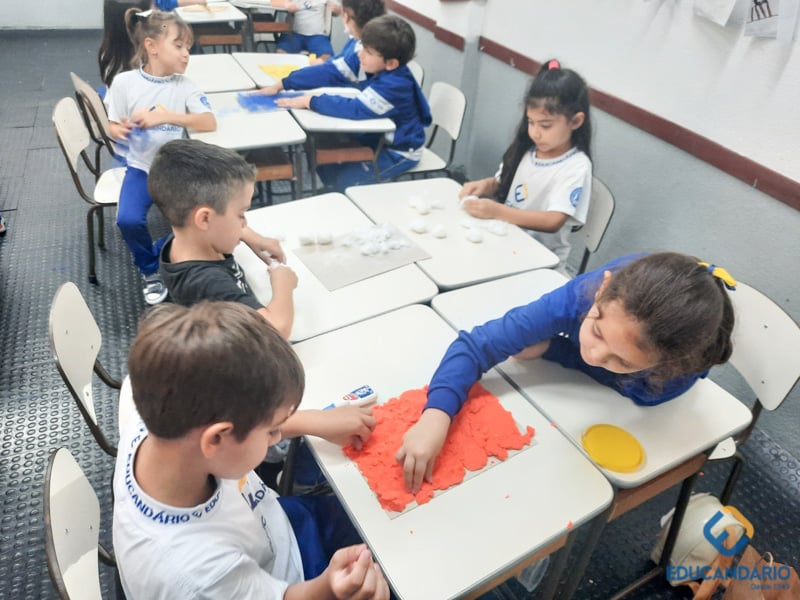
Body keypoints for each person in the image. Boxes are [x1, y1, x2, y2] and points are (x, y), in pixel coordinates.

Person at [114, 301, 390, 599]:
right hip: (295, 583)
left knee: (377, 520)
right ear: (216, 439)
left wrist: (315, 421)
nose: (277, 436)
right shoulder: (200, 578)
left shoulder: (157, 403)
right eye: (272, 431)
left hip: (277, 526)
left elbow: (241, 423)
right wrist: (331, 590)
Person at [397, 252, 736, 493]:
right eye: (597, 332)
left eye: (622, 362)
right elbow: (476, 345)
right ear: (601, 290)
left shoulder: (674, 371)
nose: (595, 355)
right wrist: (436, 414)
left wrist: (556, 349)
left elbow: (642, 394)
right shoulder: (580, 296)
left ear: (665, 365)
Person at [150, 139, 376, 463]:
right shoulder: (204, 282)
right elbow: (277, 327)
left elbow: (215, 224)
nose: (245, 222)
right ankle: (281, 455)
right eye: (241, 214)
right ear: (205, 219)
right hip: (241, 389)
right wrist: (282, 285)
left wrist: (249, 236)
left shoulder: (187, 239)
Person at [107, 9, 216, 305]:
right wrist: (120, 131)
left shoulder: (185, 86)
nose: (186, 54)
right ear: (151, 46)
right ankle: (150, 270)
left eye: (188, 47)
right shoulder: (124, 83)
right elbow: (111, 124)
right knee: (128, 220)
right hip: (141, 168)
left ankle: (175, 255)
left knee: (201, 218)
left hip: (174, 170)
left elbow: (209, 122)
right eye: (178, 46)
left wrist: (168, 117)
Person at [458, 59, 593, 271]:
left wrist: (497, 211)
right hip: (506, 242)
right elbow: (503, 182)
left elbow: (553, 220)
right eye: (531, 122)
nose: (535, 133)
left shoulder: (576, 166)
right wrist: (485, 185)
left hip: (541, 262)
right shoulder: (527, 149)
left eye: (545, 126)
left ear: (575, 121)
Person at [275, 14, 431, 191]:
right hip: (375, 136)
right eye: (362, 47)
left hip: (399, 151)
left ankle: (342, 195)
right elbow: (330, 72)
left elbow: (355, 108)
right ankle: (332, 192)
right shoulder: (371, 63)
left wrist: (311, 101)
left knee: (347, 180)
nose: (360, 54)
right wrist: (285, 83)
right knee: (326, 157)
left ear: (391, 64)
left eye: (368, 52)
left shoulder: (395, 85)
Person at [258, 0, 385, 94]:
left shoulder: (359, 50)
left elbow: (332, 71)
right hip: (295, 34)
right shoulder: (360, 42)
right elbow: (337, 64)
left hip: (317, 37)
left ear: (346, 15)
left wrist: (284, 85)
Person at [270, 0, 335, 62]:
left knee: (327, 58)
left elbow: (336, 10)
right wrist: (286, 4)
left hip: (318, 36)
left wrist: (336, 9)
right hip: (293, 35)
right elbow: (272, 2)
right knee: (280, 54)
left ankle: (310, 69)